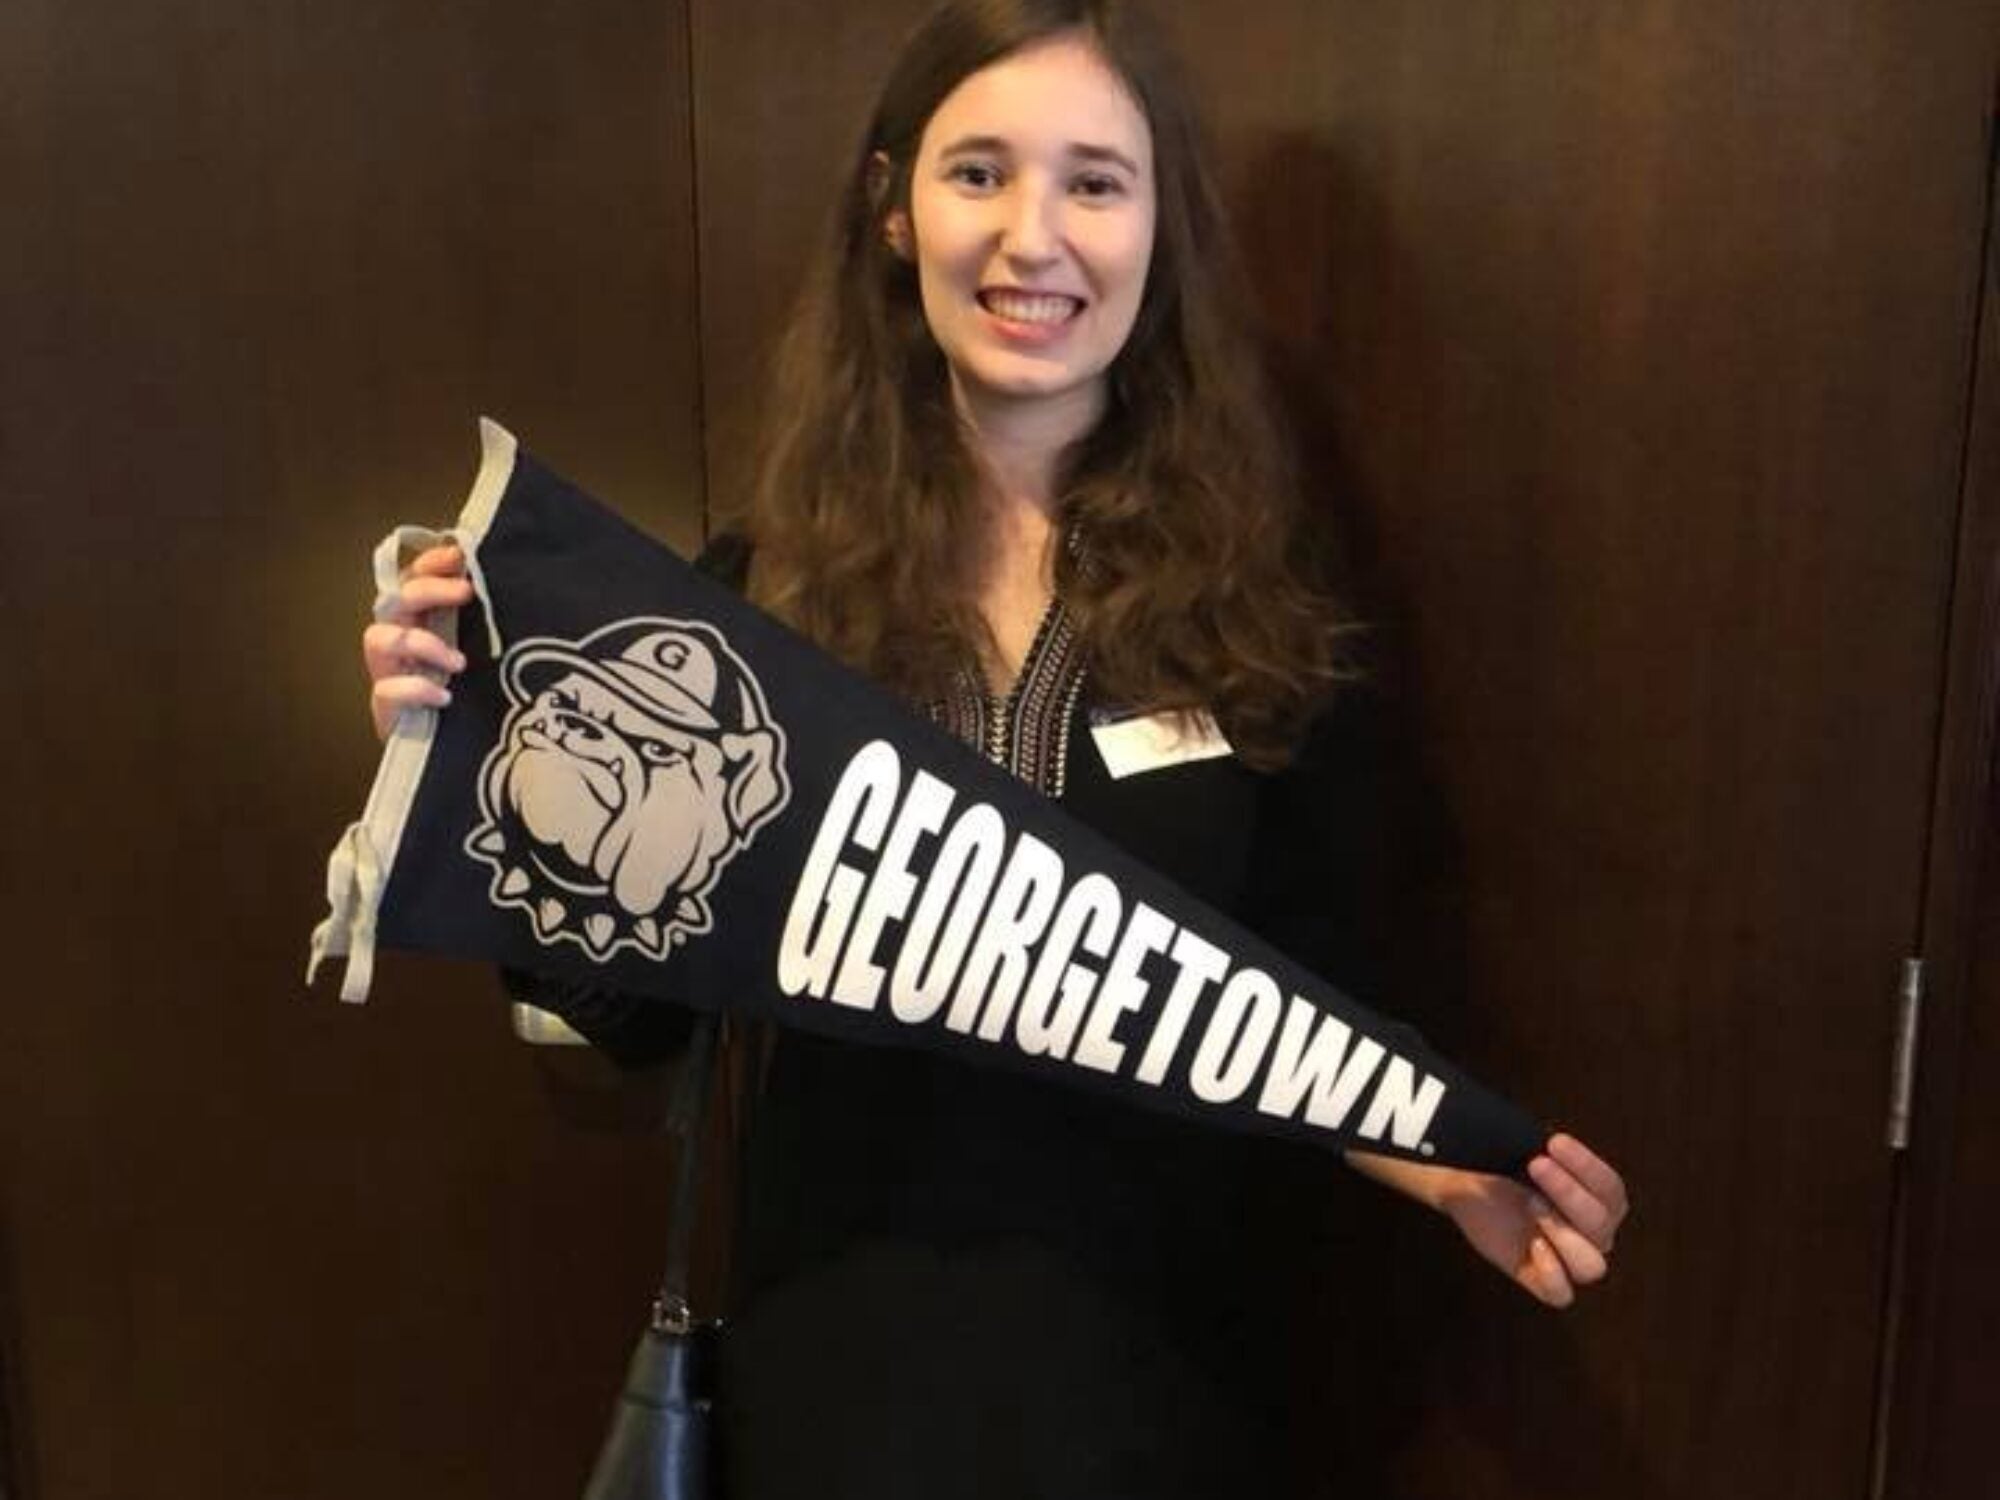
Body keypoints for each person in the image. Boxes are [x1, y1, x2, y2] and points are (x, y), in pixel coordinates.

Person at [362, 1, 1628, 1494]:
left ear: (1159, 229)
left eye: (1095, 181)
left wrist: (1453, 1157)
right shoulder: (762, 600)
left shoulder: (1267, 610)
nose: (1035, 237)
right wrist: (476, 741)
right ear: (895, 209)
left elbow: (1319, 997)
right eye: (980, 173)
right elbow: (629, 1015)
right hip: (839, 1387)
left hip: (1164, 1396)